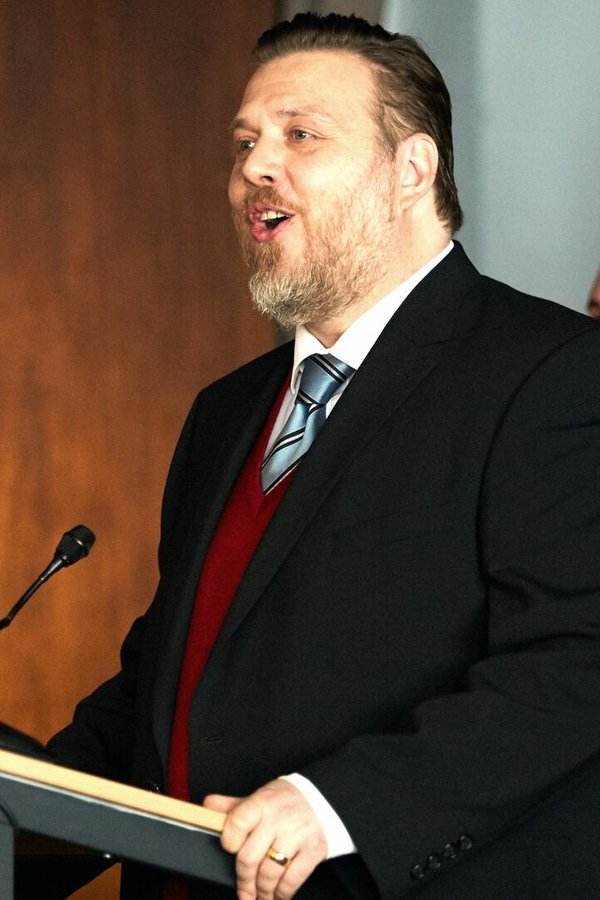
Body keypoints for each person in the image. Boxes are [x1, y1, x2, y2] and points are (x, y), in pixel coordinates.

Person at [39, 12, 600, 900]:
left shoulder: (553, 373)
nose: (254, 167)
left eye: (300, 135)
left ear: (411, 169)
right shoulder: (225, 411)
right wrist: (29, 810)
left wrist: (338, 807)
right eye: (244, 143)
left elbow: (576, 664)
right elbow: (170, 681)